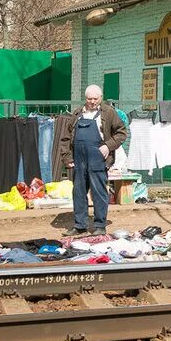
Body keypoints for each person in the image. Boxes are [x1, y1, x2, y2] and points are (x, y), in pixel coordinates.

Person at [59, 85, 128, 236]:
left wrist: (108, 146)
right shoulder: (77, 113)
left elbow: (122, 133)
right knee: (78, 192)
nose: (92, 102)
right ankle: (80, 226)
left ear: (101, 98)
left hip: (98, 158)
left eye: (95, 99)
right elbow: (65, 138)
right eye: (89, 99)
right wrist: (67, 157)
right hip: (79, 159)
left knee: (99, 192)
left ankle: (99, 225)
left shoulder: (109, 113)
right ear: (85, 98)